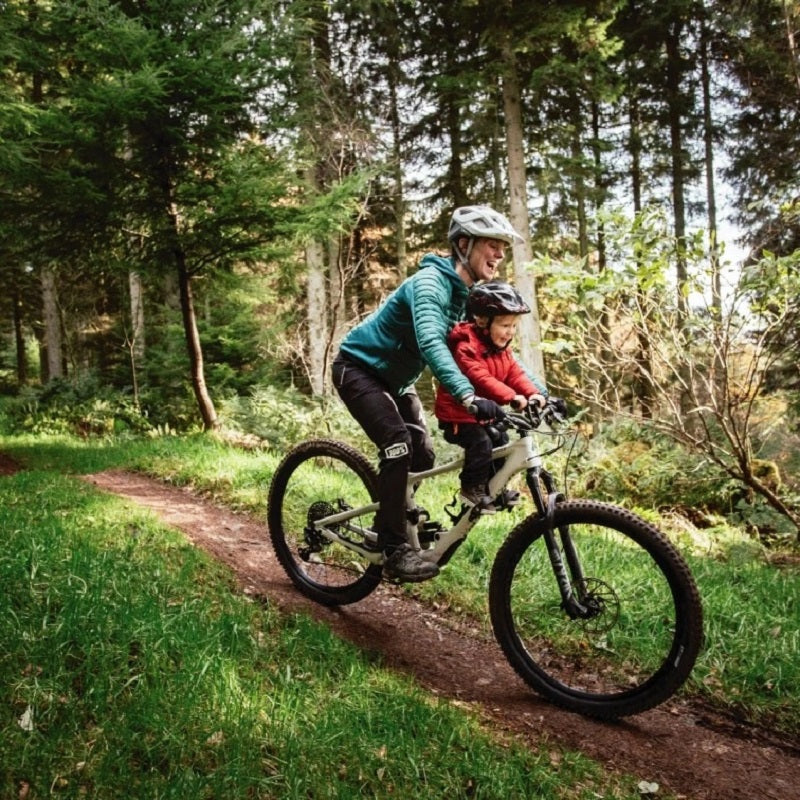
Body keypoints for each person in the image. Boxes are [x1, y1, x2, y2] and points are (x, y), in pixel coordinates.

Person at [332, 205, 522, 583]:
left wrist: (536, 396)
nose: (500, 255)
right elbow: (433, 344)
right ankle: (393, 546)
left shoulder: (467, 297)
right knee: (398, 444)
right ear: (464, 244)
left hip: (396, 383)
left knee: (422, 453)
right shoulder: (429, 285)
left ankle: (393, 518)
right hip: (358, 369)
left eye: (503, 247)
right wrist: (468, 398)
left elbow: (492, 354)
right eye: (493, 245)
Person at [435, 281, 545, 514]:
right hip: (460, 416)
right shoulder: (466, 347)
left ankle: (493, 488)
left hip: (485, 414)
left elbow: (514, 373)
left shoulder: (501, 350)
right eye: (505, 325)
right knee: (481, 443)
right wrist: (512, 398)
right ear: (483, 322)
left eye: (514, 326)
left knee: (501, 440)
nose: (510, 332)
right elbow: (480, 377)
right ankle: (471, 488)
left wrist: (533, 393)